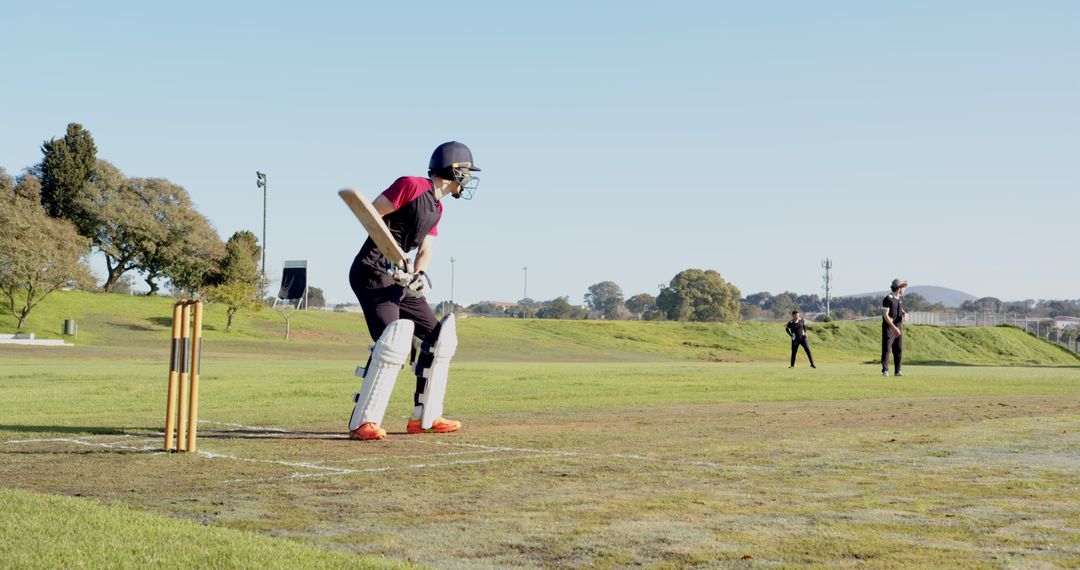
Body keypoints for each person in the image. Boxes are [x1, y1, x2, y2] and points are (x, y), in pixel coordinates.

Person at [346, 141, 480, 441]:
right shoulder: (411, 185)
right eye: (467, 171)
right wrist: (392, 258)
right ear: (452, 169)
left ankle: (424, 418)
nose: (469, 178)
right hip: (373, 272)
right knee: (394, 340)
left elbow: (427, 248)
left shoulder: (438, 207)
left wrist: (420, 274)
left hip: (401, 280)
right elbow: (372, 215)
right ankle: (364, 422)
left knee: (439, 337)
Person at [881, 278, 908, 377]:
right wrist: (893, 327)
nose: (904, 289)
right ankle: (885, 370)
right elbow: (885, 314)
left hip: (898, 327)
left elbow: (899, 309)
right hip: (889, 328)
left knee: (898, 349)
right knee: (887, 349)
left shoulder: (900, 298)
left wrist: (904, 313)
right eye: (903, 287)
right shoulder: (887, 299)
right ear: (898, 288)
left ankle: (897, 371)